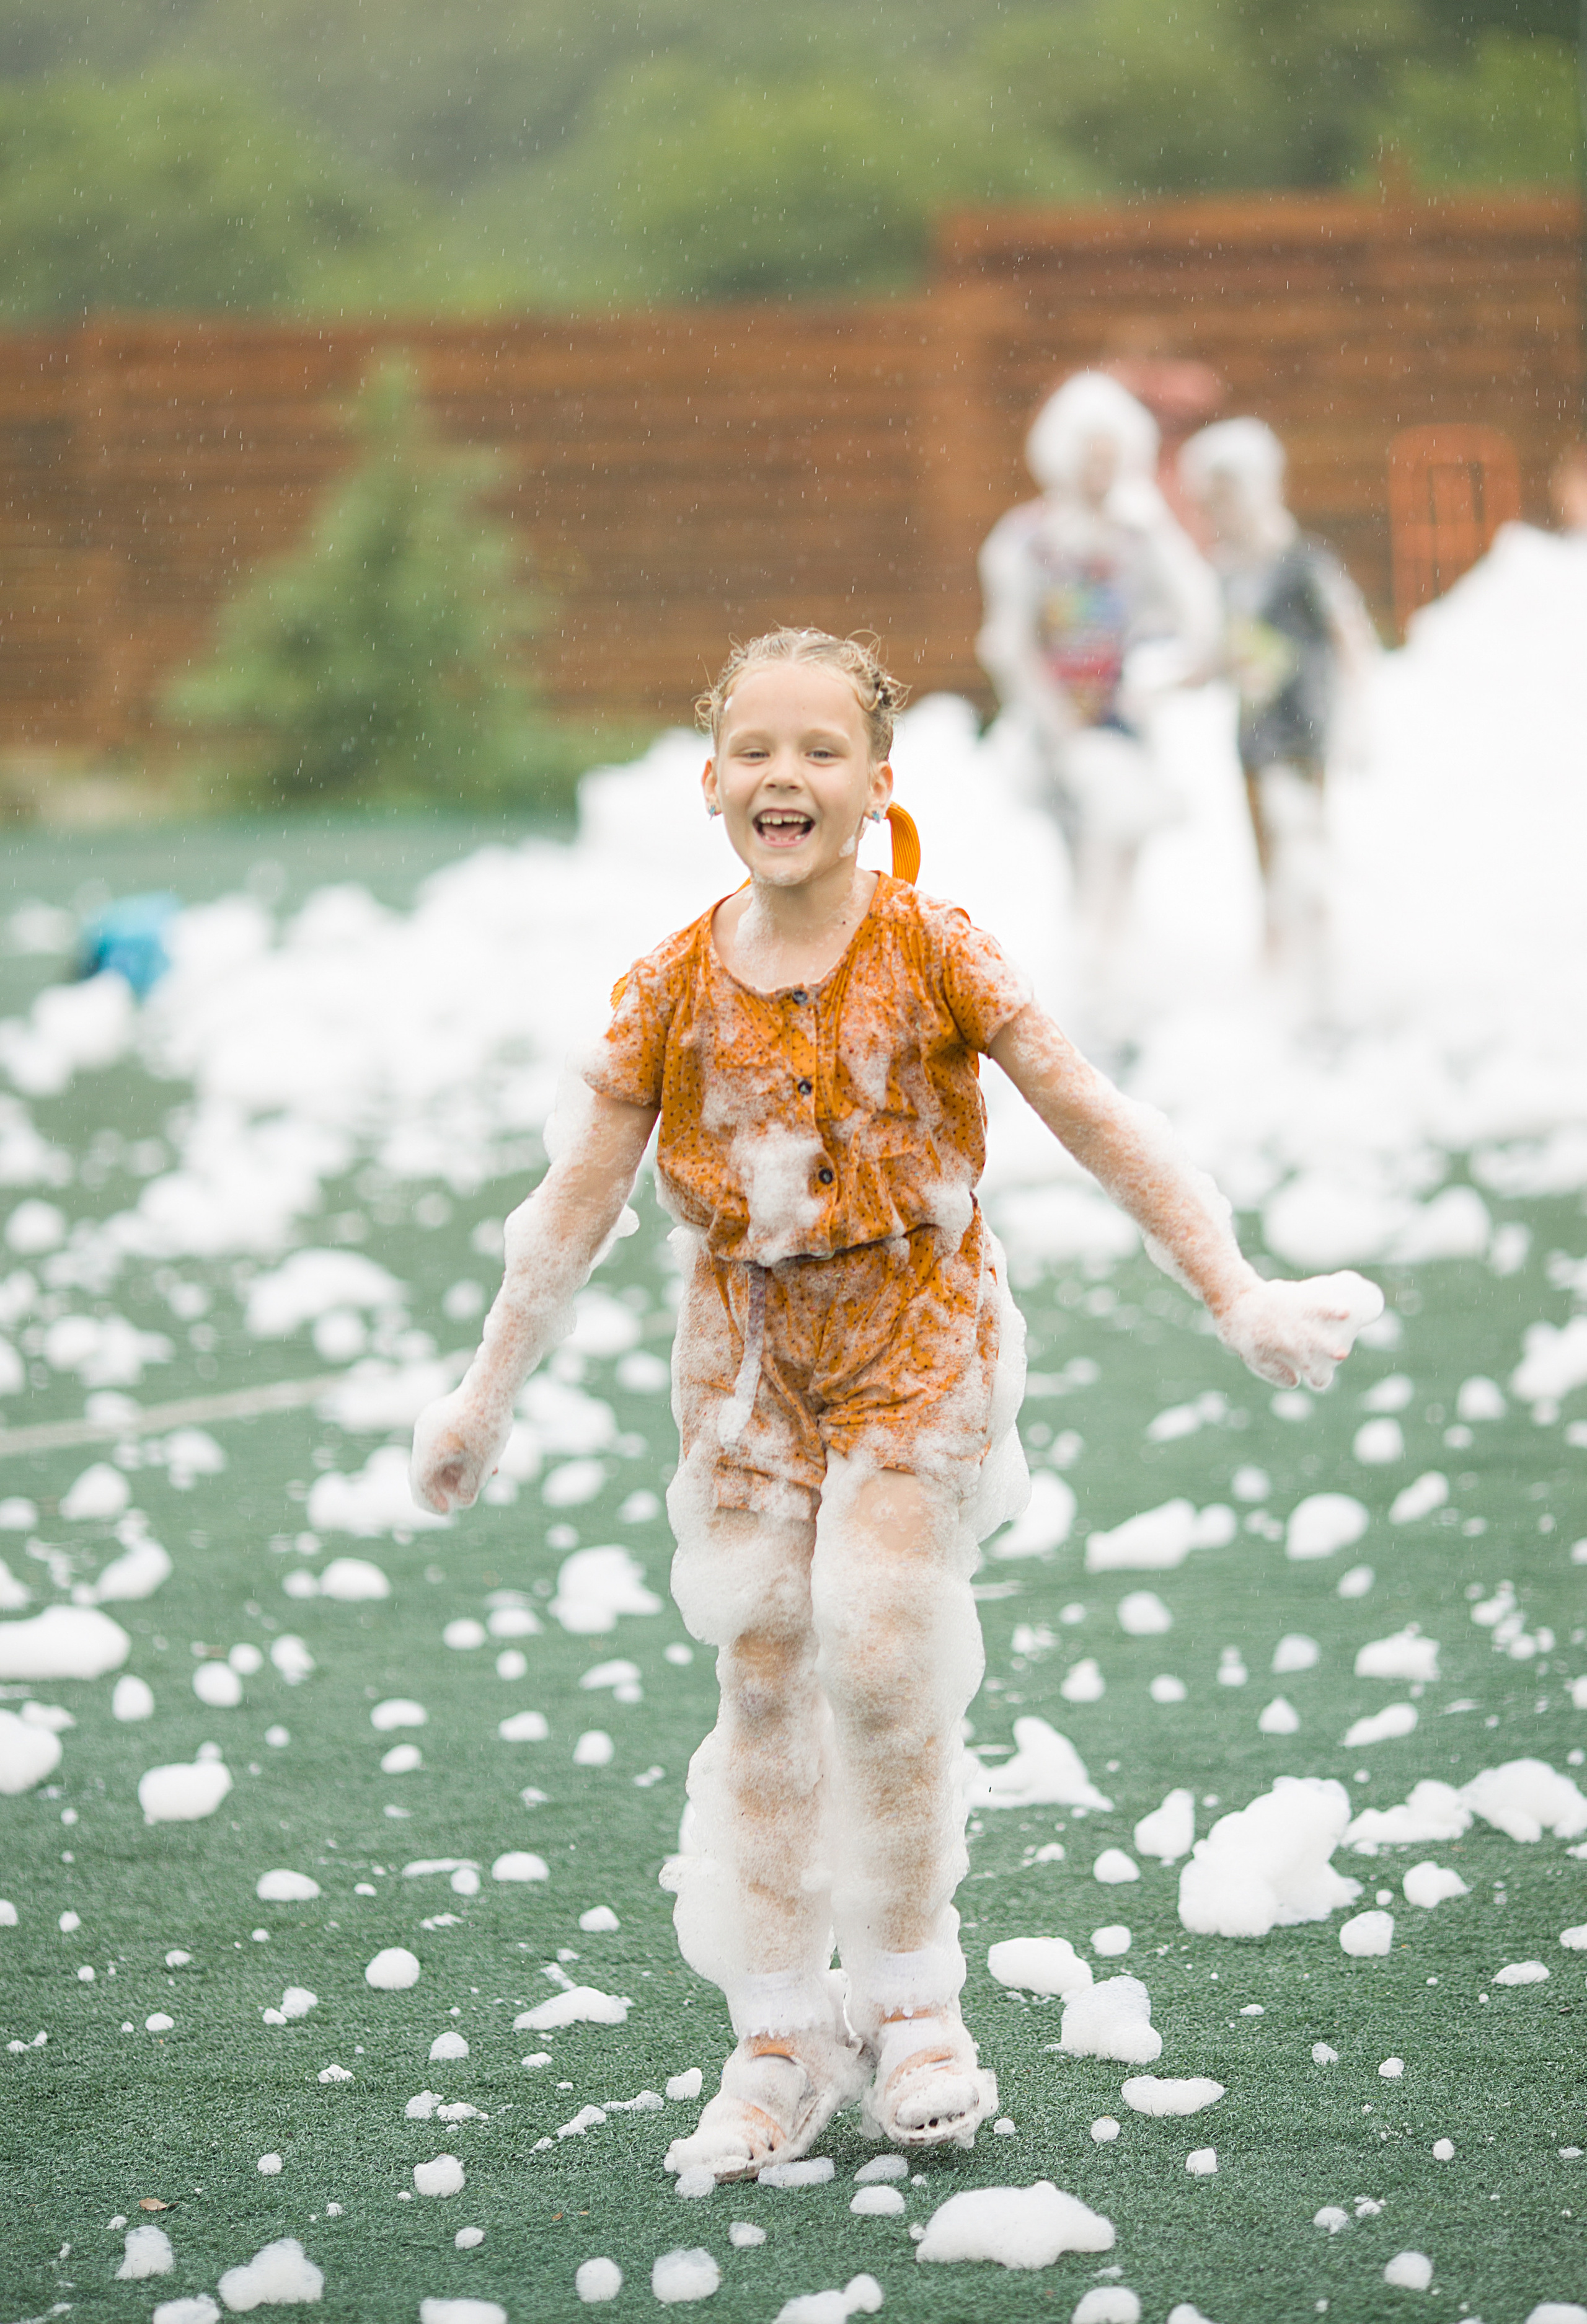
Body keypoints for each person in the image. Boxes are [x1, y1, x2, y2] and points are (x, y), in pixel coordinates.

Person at [410, 626, 1381, 2183]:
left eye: (817, 750)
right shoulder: (665, 989)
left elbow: (1093, 1115)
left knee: (875, 1638)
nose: (781, 774)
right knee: (763, 1672)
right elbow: (568, 1210)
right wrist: (480, 1397)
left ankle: (916, 1999)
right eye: (753, 749)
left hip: (918, 1336)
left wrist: (1233, 1288)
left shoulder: (936, 947)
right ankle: (779, 2032)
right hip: (743, 1367)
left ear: (874, 784)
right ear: (711, 777)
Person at [976, 371, 1220, 1035]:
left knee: (1119, 848)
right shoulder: (1027, 539)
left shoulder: (1136, 537)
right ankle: (1089, 988)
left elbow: (1196, 617)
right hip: (1055, 729)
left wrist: (1159, 681)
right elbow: (1010, 640)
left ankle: (1110, 981)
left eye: (1112, 456)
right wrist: (1052, 720)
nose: (1100, 470)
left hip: (1119, 724)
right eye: (1089, 454)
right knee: (1080, 853)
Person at [1178, 418, 1377, 1009]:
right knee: (1264, 846)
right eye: (1209, 504)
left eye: (1226, 499)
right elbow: (1223, 649)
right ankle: (1276, 962)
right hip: (1253, 731)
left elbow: (1351, 635)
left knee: (1306, 838)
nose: (1218, 515)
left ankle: (1322, 961)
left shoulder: (1302, 561)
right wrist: (1175, 679)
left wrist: (1361, 719)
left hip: (1307, 724)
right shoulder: (1228, 572)